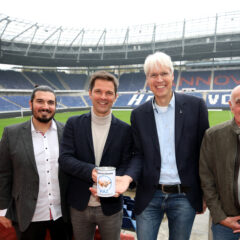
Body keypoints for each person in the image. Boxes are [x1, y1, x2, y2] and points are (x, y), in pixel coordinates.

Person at [114, 52, 209, 240]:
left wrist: (205, 193)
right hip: (150, 195)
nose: (159, 79)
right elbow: (139, 155)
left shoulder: (196, 106)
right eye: (153, 75)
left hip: (184, 196)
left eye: (164, 73)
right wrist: (126, 177)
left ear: (173, 75)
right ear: (147, 79)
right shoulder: (139, 114)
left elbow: (205, 153)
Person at [59, 71, 132, 240]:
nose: (103, 97)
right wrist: (91, 171)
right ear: (90, 93)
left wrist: (113, 183)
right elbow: (65, 159)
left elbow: (126, 163)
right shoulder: (73, 124)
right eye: (98, 91)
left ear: (116, 96)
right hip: (79, 204)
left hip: (111, 206)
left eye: (109, 93)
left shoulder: (125, 130)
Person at [0, 85, 72, 240]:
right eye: (40, 101)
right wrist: (2, 209)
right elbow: (3, 174)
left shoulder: (67, 132)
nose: (46, 107)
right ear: (30, 103)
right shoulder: (11, 133)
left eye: (50, 102)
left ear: (55, 106)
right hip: (27, 214)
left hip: (62, 214)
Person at [200, 85, 240, 240]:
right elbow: (206, 180)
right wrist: (220, 216)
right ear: (231, 106)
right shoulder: (213, 136)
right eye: (239, 102)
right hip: (224, 223)